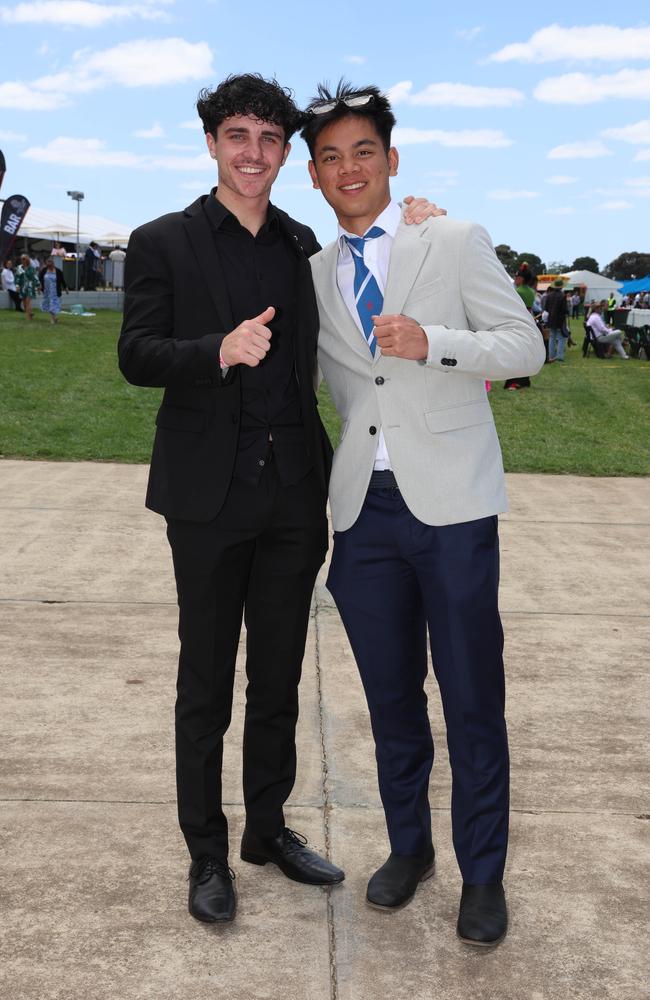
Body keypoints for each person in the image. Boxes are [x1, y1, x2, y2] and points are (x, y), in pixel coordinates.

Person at [118, 72, 440, 926]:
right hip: (207, 497)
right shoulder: (163, 242)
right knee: (205, 681)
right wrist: (216, 350)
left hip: (296, 495)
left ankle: (267, 830)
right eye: (237, 136)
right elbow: (137, 353)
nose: (252, 153)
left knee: (279, 678)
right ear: (213, 144)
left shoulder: (304, 246)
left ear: (284, 153)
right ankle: (206, 852)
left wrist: (424, 222)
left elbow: (381, 283)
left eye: (269, 139)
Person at [302, 81, 545, 947]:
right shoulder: (313, 275)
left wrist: (434, 344)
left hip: (452, 509)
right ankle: (411, 850)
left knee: (475, 698)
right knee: (391, 699)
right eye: (330, 157)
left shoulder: (452, 237)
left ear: (391, 161)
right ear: (315, 177)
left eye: (363, 150)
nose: (349, 167)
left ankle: (484, 874)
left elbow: (527, 347)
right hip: (362, 517)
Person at [504, 262, 536, 387]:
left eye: (517, 277)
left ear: (522, 279)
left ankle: (515, 381)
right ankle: (524, 379)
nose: (515, 279)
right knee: (524, 350)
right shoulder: (531, 291)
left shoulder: (518, 291)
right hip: (529, 319)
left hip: (517, 320)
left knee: (515, 351)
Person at [546, 278, 568, 362]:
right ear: (561, 287)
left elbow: (546, 308)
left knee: (552, 337)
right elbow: (564, 309)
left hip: (551, 319)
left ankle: (551, 356)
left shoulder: (549, 295)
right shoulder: (562, 296)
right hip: (560, 320)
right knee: (561, 338)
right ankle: (559, 356)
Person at [39, 256, 66, 323]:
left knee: (53, 303)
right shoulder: (44, 270)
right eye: (48, 262)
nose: (49, 264)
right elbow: (40, 279)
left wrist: (65, 288)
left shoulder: (58, 271)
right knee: (49, 303)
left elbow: (62, 280)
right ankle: (54, 318)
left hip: (55, 290)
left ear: (53, 263)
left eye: (50, 262)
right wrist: (39, 287)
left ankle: (52, 319)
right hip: (47, 290)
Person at [15, 253, 39, 320]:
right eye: (22, 259)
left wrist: (38, 285)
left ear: (27, 259)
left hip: (30, 286)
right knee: (24, 302)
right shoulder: (19, 267)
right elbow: (17, 277)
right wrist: (17, 286)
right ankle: (30, 313)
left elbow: (35, 277)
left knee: (28, 301)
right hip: (22, 287)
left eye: (24, 259)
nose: (22, 260)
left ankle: (28, 317)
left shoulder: (31, 268)